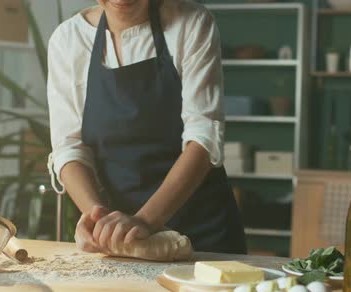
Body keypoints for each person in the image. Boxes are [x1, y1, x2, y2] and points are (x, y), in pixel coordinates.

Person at [47, 0, 247, 254]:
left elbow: (203, 137)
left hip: (203, 231)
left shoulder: (190, 23)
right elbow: (69, 146)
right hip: (121, 237)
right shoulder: (68, 40)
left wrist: (145, 220)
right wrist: (98, 219)